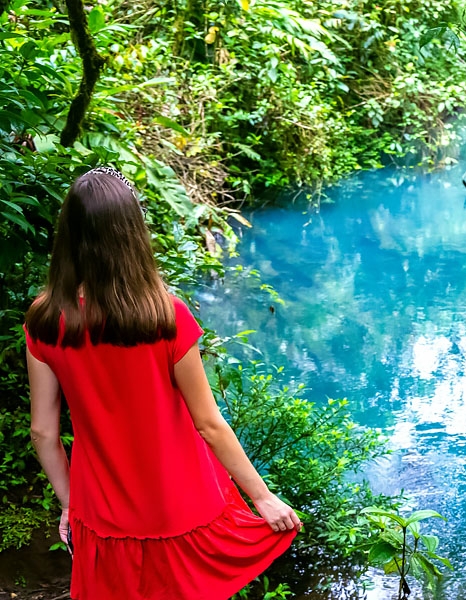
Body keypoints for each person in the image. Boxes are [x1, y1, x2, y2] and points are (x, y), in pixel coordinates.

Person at [24, 167, 300, 600]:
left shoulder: (44, 319)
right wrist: (262, 498)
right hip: (182, 502)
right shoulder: (165, 316)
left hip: (101, 507)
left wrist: (69, 504)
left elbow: (43, 432)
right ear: (132, 232)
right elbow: (209, 424)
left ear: (68, 233)